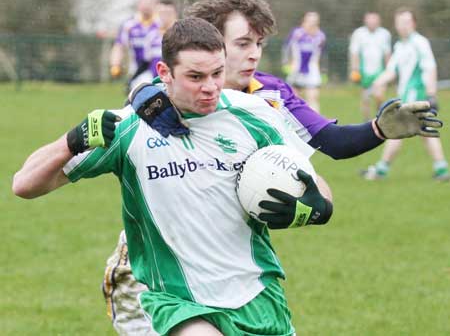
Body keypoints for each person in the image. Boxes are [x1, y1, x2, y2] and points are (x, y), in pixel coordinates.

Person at [104, 0, 443, 335]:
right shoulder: (169, 95)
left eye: (259, 44)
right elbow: (133, 108)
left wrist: (377, 130)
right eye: (243, 43)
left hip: (230, 271)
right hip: (156, 268)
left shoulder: (268, 95)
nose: (254, 55)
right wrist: (141, 93)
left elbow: (330, 142)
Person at [13, 18, 334, 336]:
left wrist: (318, 207)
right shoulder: (128, 129)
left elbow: (315, 184)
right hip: (179, 301)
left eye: (217, 73)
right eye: (195, 76)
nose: (210, 87)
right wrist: (70, 142)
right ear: (165, 73)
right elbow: (24, 184)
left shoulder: (254, 114)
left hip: (259, 293)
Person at [361, 8, 449, 181]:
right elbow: (391, 71)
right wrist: (378, 82)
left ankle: (381, 170)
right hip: (406, 96)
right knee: (423, 131)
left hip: (416, 96)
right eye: (400, 22)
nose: (403, 26)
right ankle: (441, 169)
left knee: (397, 130)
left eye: (407, 22)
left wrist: (431, 94)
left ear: (414, 23)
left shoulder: (420, 43)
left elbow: (430, 67)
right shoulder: (400, 46)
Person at [110, 0, 161, 93]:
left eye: (150, 2)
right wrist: (115, 64)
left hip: (159, 71)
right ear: (138, 4)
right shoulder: (129, 25)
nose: (147, 6)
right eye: (144, 2)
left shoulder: (161, 23)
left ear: (156, 4)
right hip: (137, 71)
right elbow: (119, 46)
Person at [349, 12, 392, 120]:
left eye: (374, 20)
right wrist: (355, 69)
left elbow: (387, 54)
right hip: (364, 71)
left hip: (379, 71)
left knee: (379, 96)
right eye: (370, 20)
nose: (372, 22)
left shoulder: (384, 34)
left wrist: (389, 70)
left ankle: (379, 117)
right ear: (365, 21)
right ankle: (366, 121)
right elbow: (355, 53)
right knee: (366, 98)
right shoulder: (359, 33)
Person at [282, 11, 326, 112]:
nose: (311, 24)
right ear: (304, 22)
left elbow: (323, 55)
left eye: (314, 22)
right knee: (293, 98)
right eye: (309, 21)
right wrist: (286, 63)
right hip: (296, 68)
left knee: (313, 98)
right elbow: (286, 48)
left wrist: (323, 70)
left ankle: (315, 124)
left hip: (311, 69)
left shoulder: (320, 36)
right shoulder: (297, 34)